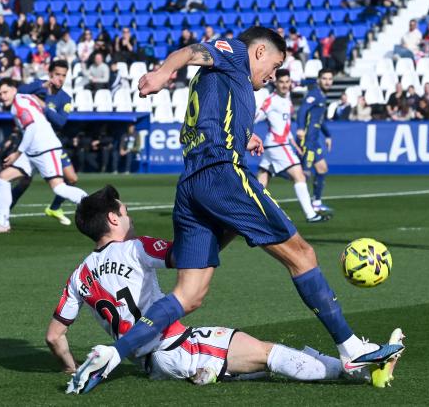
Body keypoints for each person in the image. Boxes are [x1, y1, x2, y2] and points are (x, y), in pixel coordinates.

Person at [70, 26, 404, 393]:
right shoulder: (235, 55)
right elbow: (192, 51)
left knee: (189, 294)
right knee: (302, 255)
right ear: (259, 52)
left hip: (191, 185)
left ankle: (113, 354)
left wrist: (246, 135)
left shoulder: (229, 82)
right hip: (221, 175)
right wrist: (164, 72)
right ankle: (352, 349)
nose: (273, 75)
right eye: (274, 65)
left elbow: (212, 115)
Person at [56, 186, 405, 393]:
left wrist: (71, 368)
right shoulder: (135, 248)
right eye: (125, 211)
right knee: (271, 354)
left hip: (151, 363)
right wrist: (231, 228)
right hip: (177, 345)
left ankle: (209, 372)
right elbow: (187, 257)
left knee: (251, 361)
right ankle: (357, 371)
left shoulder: (78, 274)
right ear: (114, 219)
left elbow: (55, 336)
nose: (128, 216)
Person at [0, 78, 87, 234]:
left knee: (59, 188)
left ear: (14, 89)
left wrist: (17, 153)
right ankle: (3, 224)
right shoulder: (26, 97)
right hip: (33, 150)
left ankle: (95, 205)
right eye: (0, 93)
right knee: (2, 178)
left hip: (45, 148)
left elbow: (31, 127)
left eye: (5, 92)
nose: (2, 96)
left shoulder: (18, 104)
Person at [1, 60, 78, 226]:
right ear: (50, 74)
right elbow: (19, 91)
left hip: (51, 144)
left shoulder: (65, 98)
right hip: (33, 142)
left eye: (63, 75)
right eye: (57, 74)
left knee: (71, 178)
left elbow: (61, 122)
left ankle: (54, 208)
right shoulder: (38, 86)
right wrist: (41, 86)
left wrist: (44, 107)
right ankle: (3, 215)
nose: (60, 79)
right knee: (23, 181)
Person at [255, 69, 328, 223]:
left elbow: (286, 129)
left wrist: (295, 144)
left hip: (276, 145)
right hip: (278, 145)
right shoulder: (271, 100)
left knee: (262, 180)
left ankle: (250, 213)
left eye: (287, 82)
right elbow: (256, 116)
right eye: (281, 82)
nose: (285, 85)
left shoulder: (287, 101)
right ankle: (311, 214)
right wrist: (244, 130)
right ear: (275, 83)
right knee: (299, 175)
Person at [297, 69, 334, 214]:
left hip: (314, 141)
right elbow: (302, 111)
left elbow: (320, 119)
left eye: (330, 79)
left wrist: (328, 135)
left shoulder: (322, 96)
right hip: (307, 140)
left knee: (322, 169)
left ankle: (316, 203)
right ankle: (308, 208)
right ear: (319, 80)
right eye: (324, 79)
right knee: (304, 173)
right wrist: (300, 128)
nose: (327, 82)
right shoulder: (314, 94)